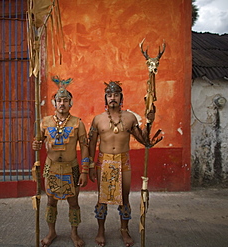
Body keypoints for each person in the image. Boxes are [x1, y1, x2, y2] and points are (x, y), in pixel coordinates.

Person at [88, 80, 155, 247]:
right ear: (105, 98)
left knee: (124, 198)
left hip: (123, 161)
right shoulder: (98, 119)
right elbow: (91, 144)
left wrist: (149, 122)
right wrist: (88, 166)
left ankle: (124, 230)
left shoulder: (130, 118)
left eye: (116, 95)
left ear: (121, 98)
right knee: (102, 199)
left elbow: (143, 140)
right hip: (104, 162)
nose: (113, 98)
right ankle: (101, 230)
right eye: (109, 95)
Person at [32, 77, 89, 247]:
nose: (62, 103)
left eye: (65, 100)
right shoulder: (45, 123)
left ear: (70, 103)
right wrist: (36, 144)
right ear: (54, 103)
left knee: (74, 202)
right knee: (51, 202)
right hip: (52, 168)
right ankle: (51, 232)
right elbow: (38, 141)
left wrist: (85, 170)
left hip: (71, 169)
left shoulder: (78, 123)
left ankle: (74, 233)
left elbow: (85, 147)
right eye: (59, 100)